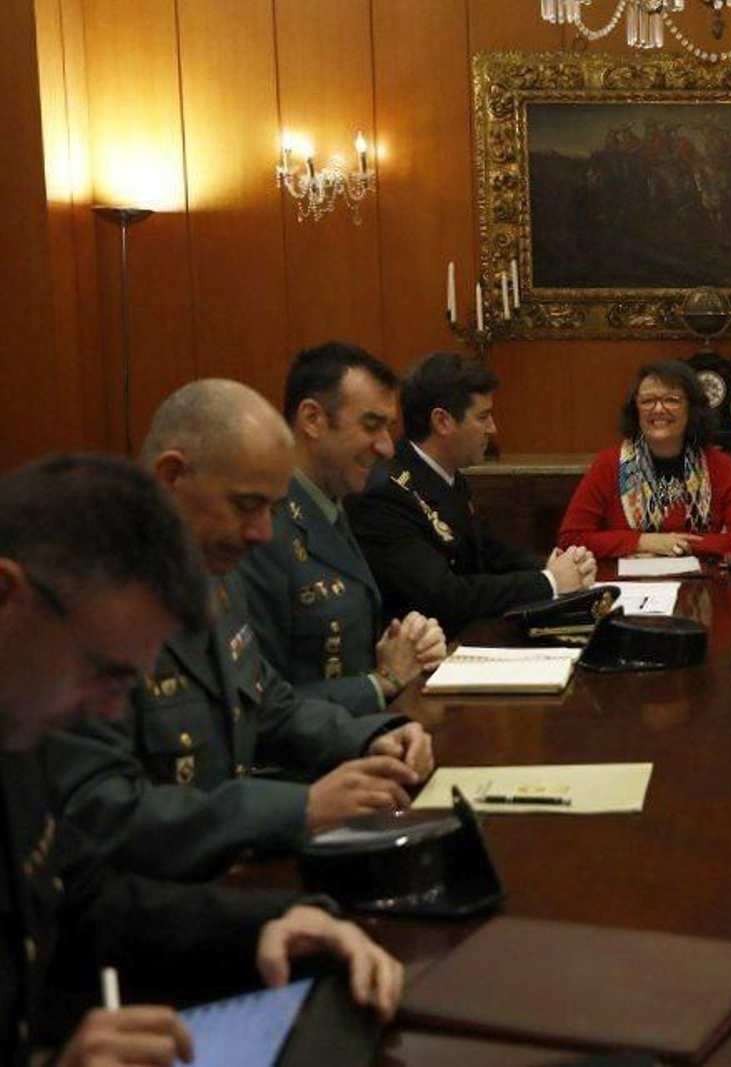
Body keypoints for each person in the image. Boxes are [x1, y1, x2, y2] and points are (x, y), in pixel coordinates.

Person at [0, 455, 402, 1067]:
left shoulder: (17, 726)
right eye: (103, 674)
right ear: (8, 597)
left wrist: (272, 922)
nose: (112, 715)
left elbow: (83, 905)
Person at [44, 380, 435, 882]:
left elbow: (267, 705)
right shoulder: (79, 609)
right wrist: (297, 808)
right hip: (136, 913)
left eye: (271, 510)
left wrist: (372, 737)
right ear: (170, 478)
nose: (263, 534)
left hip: (219, 885)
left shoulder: (214, 574)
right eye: (246, 505)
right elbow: (99, 814)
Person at [238, 342, 446, 715]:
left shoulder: (330, 505)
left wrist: (401, 648)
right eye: (371, 425)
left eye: (387, 428)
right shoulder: (263, 527)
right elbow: (257, 700)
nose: (385, 447)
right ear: (313, 419)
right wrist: (382, 681)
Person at [348, 352, 597, 635]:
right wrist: (549, 582)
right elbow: (443, 595)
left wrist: (557, 567)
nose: (493, 428)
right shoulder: (386, 493)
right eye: (483, 417)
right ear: (442, 421)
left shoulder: (445, 474)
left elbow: (489, 551)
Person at [557, 360, 731, 560]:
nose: (658, 409)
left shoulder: (719, 466)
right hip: (628, 588)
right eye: (647, 401)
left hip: (703, 588)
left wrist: (676, 545)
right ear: (635, 409)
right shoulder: (608, 464)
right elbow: (571, 540)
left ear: (691, 409)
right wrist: (643, 542)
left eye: (671, 400)